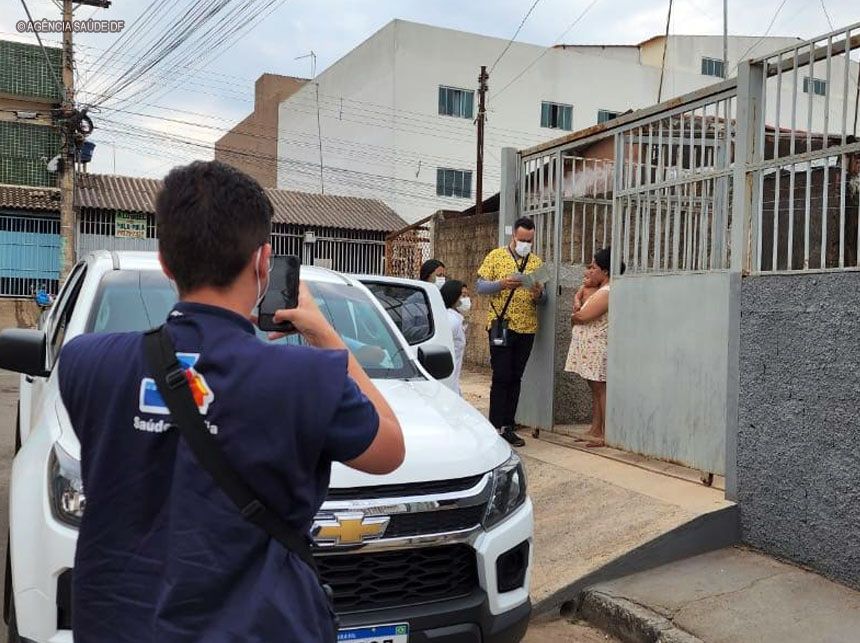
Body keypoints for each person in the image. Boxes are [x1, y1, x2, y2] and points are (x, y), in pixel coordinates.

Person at [56, 160, 405, 642]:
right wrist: (322, 329)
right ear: (263, 262)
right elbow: (390, 449)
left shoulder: (85, 364)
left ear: (164, 261)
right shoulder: (306, 379)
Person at [476, 217, 547, 447]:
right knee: (501, 375)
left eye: (529, 240)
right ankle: (495, 425)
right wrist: (501, 284)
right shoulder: (495, 256)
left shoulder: (536, 262)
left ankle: (508, 426)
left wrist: (538, 294)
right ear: (513, 237)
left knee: (516, 377)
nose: (525, 243)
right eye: (522, 239)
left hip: (526, 327)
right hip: (501, 324)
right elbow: (480, 286)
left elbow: (543, 298)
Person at [564, 247, 624, 448]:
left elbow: (583, 316)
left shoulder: (608, 291)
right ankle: (596, 429)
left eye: (594, 267)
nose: (590, 271)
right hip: (592, 346)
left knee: (601, 389)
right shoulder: (601, 290)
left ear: (605, 272)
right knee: (596, 388)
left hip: (598, 346)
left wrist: (575, 315)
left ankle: (606, 433)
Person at [440, 279, 470, 395]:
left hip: (453, 381)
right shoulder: (451, 320)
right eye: (463, 296)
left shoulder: (456, 318)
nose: (466, 299)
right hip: (448, 383)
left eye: (467, 295)